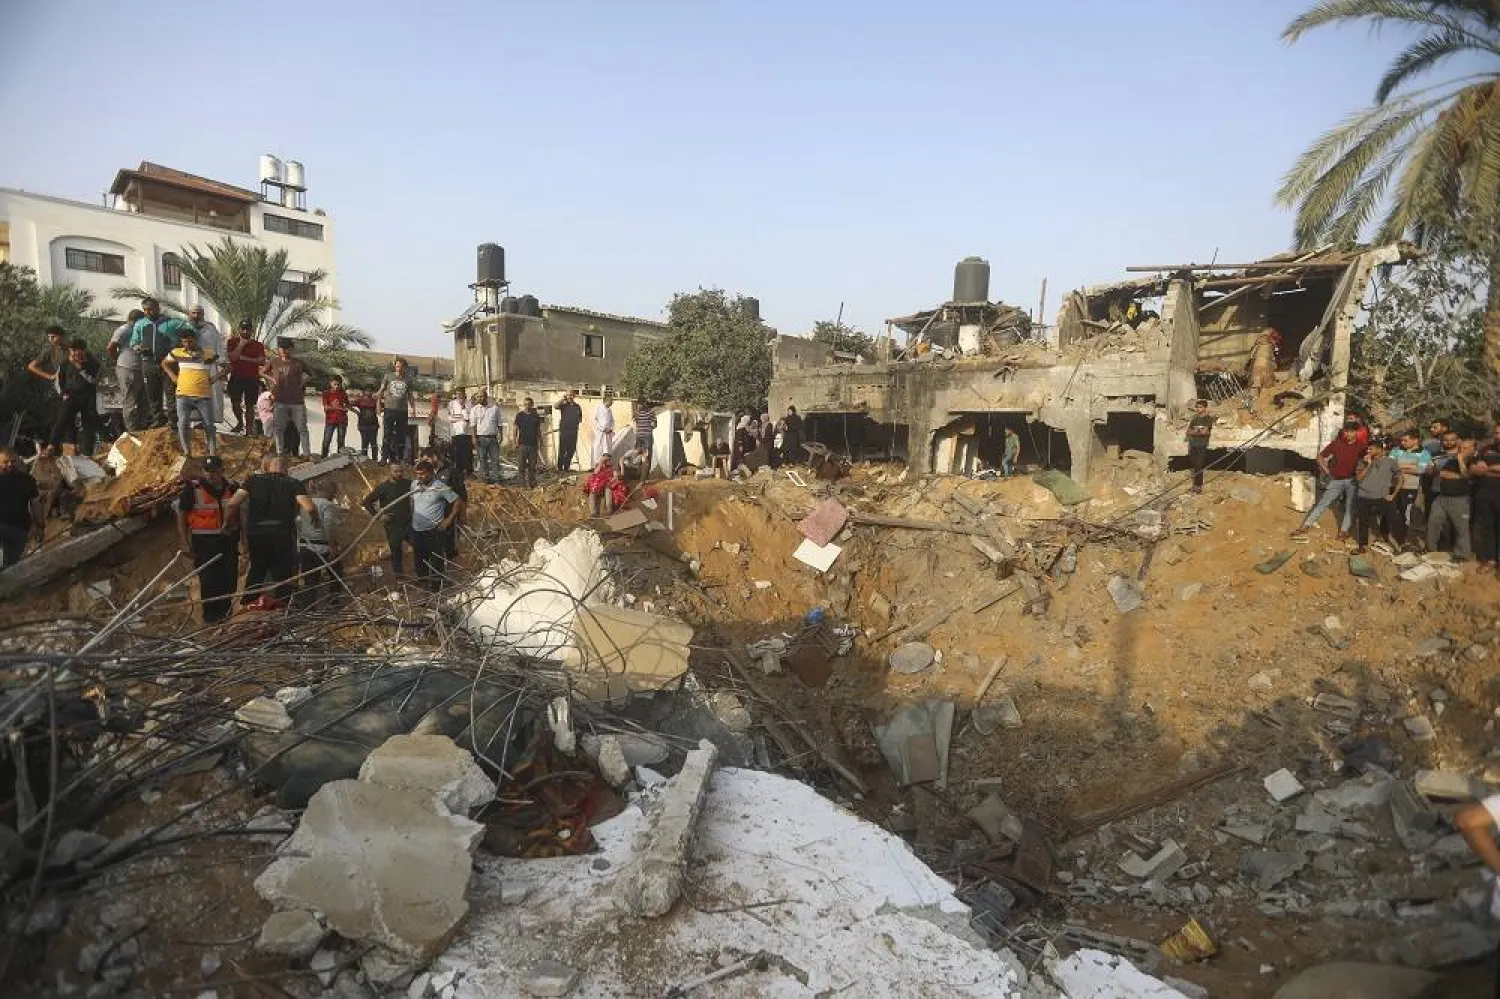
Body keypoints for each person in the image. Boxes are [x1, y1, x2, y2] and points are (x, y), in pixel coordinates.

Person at [226, 454, 317, 603]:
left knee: (256, 570)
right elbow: (309, 507)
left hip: (257, 534)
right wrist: (316, 521)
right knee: (283, 573)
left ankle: (247, 605)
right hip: (281, 534)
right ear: (286, 468)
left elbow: (232, 504)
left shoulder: (252, 481)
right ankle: (283, 606)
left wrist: (226, 522)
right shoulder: (293, 483)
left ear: (266, 466)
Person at [175, 455, 239, 623]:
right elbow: (182, 515)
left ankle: (226, 616)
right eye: (207, 471)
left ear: (221, 471)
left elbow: (241, 513)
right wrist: (184, 541)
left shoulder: (232, 487)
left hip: (228, 540)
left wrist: (244, 539)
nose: (210, 475)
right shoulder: (193, 489)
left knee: (229, 579)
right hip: (204, 542)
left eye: (214, 471)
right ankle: (211, 618)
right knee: (209, 580)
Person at [1293, 420, 1367, 539]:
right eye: (1346, 431)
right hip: (1336, 480)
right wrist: (1326, 470)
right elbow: (1320, 457)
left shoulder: (1362, 446)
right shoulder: (1336, 444)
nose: (1348, 434)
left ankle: (1343, 531)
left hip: (1352, 481)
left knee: (1350, 506)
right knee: (1322, 503)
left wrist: (1363, 470)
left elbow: (1370, 459)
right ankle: (1305, 526)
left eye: (1351, 432)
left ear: (1356, 433)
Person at [162, 327, 218, 457]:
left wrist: (217, 377)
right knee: (182, 423)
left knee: (209, 424)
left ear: (195, 340)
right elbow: (164, 363)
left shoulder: (208, 354)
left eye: (190, 342)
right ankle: (187, 451)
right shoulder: (177, 352)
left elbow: (225, 366)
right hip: (183, 395)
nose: (187, 345)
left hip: (203, 395)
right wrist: (173, 377)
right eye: (184, 342)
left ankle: (212, 452)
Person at [407, 460, 463, 590]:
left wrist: (448, 520)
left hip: (434, 531)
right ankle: (424, 586)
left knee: (436, 560)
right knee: (419, 561)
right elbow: (411, 500)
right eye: (417, 474)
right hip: (417, 530)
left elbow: (457, 500)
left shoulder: (440, 486)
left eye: (423, 474)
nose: (420, 477)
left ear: (431, 473)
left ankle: (437, 589)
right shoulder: (414, 484)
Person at [130, 298, 185, 426]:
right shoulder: (140, 324)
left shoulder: (170, 322)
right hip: (148, 362)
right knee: (153, 393)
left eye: (150, 309)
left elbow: (189, 328)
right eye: (145, 310)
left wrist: (180, 344)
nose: (147, 312)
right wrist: (137, 348)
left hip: (168, 362)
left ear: (157, 309)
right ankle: (158, 420)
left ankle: (173, 421)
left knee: (171, 392)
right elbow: (133, 341)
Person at [50, 340, 104, 456]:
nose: (74, 354)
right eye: (72, 351)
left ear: (83, 350)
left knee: (88, 424)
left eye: (76, 350)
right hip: (71, 396)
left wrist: (79, 367)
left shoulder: (94, 364)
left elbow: (93, 381)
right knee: (63, 419)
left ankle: (87, 453)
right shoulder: (65, 363)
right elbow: (59, 380)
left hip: (88, 397)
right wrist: (63, 393)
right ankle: (52, 446)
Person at [1426, 429, 1474, 559]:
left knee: (1461, 529)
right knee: (1433, 523)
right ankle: (1431, 550)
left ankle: (1462, 554)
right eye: (1462, 447)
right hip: (1441, 496)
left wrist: (1460, 460)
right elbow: (1438, 472)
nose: (1463, 449)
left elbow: (1467, 476)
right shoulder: (1444, 458)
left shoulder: (1472, 459)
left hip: (1460, 499)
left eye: (1466, 447)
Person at [296, 479, 343, 605]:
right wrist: (333, 547)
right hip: (323, 548)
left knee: (310, 581)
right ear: (328, 490)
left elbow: (298, 523)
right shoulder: (327, 505)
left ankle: (308, 608)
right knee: (336, 575)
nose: (335, 494)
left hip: (305, 547)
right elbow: (329, 527)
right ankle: (333, 603)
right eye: (334, 491)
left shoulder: (304, 503)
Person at [1351, 437, 1401, 554]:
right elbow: (1358, 478)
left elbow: (1400, 477)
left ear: (1379, 450)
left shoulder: (1390, 462)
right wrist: (1368, 465)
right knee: (1363, 522)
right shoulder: (1362, 461)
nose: (1368, 451)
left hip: (1382, 497)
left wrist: (1393, 494)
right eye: (1368, 449)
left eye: (1371, 449)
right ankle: (1362, 546)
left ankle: (1400, 545)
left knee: (1393, 519)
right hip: (1363, 496)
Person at [261, 338, 310, 457]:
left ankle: (307, 453)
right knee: (278, 428)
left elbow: (311, 374)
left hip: (297, 401)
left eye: (286, 347)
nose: (283, 350)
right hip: (280, 400)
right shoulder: (274, 361)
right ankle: (280, 453)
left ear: (291, 349)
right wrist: (272, 379)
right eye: (281, 347)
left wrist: (303, 382)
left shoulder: (298, 362)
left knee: (302, 428)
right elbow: (262, 372)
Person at [363, 463, 413, 576]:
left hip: (408, 523)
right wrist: (380, 516)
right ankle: (399, 578)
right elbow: (366, 502)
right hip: (392, 525)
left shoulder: (408, 484)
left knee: (419, 546)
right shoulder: (383, 488)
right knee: (396, 553)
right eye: (396, 471)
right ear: (389, 472)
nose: (399, 474)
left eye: (401, 471)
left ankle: (423, 574)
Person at [1389, 429, 1432, 548]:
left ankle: (1405, 540)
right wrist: (1411, 466)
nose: (1402, 443)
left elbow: (1421, 470)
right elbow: (1390, 466)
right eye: (1401, 440)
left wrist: (1400, 467)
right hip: (1393, 486)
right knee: (1393, 512)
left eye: (1405, 440)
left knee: (1406, 513)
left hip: (1411, 488)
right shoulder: (1396, 450)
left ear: (1415, 440)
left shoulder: (1424, 453)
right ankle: (1395, 536)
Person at [0, 447, 42, 568]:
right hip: (16, 527)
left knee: (12, 564)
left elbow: (36, 504)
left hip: (18, 527)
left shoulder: (27, 480)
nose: (9, 465)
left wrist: (40, 524)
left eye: (13, 462)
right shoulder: (28, 480)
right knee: (11, 564)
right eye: (5, 462)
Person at [107, 310, 148, 432]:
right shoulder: (123, 330)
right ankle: (132, 431)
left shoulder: (143, 330)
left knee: (144, 401)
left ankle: (142, 428)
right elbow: (110, 347)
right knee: (130, 401)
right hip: (127, 369)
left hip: (142, 369)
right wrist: (117, 359)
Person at [226, 321, 266, 435]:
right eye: (243, 328)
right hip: (236, 377)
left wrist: (244, 358)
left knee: (250, 405)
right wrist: (242, 344)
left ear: (251, 330)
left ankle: (248, 430)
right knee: (235, 403)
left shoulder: (258, 345)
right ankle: (239, 422)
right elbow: (233, 357)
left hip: (252, 378)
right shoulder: (232, 342)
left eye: (247, 329)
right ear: (239, 329)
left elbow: (262, 361)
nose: (245, 331)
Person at [185, 305, 224, 423]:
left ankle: (210, 420)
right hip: (190, 366)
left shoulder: (210, 329)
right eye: (194, 313)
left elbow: (218, 346)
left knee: (211, 393)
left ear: (203, 315)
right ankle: (194, 420)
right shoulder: (185, 328)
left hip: (209, 365)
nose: (196, 316)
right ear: (189, 314)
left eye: (199, 313)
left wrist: (221, 362)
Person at [1472, 421, 1500, 572]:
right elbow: (1473, 469)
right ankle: (1490, 560)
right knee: (1487, 528)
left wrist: (1486, 469)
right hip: (1485, 494)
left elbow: (1482, 469)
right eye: (1496, 433)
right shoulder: (1486, 450)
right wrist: (1490, 470)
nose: (1498, 436)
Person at [377, 359, 413, 464]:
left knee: (401, 435)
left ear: (405, 367)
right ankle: (384, 458)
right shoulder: (388, 376)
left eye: (401, 366)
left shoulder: (408, 379)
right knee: (387, 434)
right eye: (397, 366)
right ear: (395, 367)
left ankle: (400, 458)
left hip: (402, 410)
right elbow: (382, 388)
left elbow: (410, 394)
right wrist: (378, 395)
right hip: (389, 409)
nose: (399, 368)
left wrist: (413, 407)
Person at [469, 390, 502, 483]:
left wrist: (501, 435)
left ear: (486, 397)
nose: (479, 398)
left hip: (493, 438)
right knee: (482, 460)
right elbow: (473, 425)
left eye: (481, 397)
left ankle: (496, 480)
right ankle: (485, 480)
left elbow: (499, 423)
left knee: (495, 460)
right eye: (478, 397)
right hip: (480, 438)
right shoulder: (474, 409)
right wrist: (473, 438)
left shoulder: (494, 408)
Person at [1183, 401, 1215, 493]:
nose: (1198, 409)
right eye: (1197, 407)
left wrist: (1196, 431)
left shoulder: (1208, 419)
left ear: (1205, 408)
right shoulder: (1194, 419)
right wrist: (1199, 431)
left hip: (1202, 446)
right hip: (1193, 445)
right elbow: (1188, 432)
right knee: (1195, 465)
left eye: (1200, 407)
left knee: (1199, 466)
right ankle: (1196, 485)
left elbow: (1206, 432)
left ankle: (1197, 487)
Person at [513, 396, 542, 488]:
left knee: (532, 466)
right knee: (521, 466)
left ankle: (532, 483)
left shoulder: (535, 416)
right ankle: (522, 485)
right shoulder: (520, 415)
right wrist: (514, 442)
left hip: (533, 445)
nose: (527, 406)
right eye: (525, 404)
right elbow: (515, 429)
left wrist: (541, 441)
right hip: (522, 445)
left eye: (529, 404)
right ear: (523, 405)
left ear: (532, 405)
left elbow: (538, 430)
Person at [320, 376, 350, 457]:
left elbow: (347, 405)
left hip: (342, 420)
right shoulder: (326, 393)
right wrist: (339, 407)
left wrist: (354, 411)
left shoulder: (343, 393)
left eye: (338, 385)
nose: (336, 386)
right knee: (326, 440)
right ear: (330, 383)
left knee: (341, 441)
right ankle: (323, 458)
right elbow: (326, 407)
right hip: (330, 420)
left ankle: (339, 460)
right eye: (335, 384)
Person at [448, 389, 471, 481]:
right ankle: (458, 474)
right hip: (456, 433)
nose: (459, 396)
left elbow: (468, 418)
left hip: (467, 434)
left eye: (461, 394)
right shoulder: (452, 403)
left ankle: (468, 473)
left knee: (467, 455)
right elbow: (450, 418)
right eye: (457, 394)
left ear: (464, 395)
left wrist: (463, 408)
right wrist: (461, 417)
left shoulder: (469, 403)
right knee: (456, 454)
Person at [556, 391, 582, 472]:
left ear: (574, 396)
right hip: (564, 431)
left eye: (571, 395)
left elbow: (580, 418)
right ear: (566, 396)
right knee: (562, 450)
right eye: (568, 395)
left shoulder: (577, 406)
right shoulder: (563, 405)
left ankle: (566, 467)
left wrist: (575, 421)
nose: (569, 396)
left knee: (571, 450)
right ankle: (560, 468)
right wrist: (562, 399)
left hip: (573, 431)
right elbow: (555, 406)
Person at [352, 387, 380, 460]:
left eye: (371, 391)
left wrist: (378, 400)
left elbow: (379, 410)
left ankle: (375, 461)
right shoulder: (360, 400)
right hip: (363, 425)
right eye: (368, 391)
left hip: (373, 425)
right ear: (364, 391)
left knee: (374, 444)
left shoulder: (374, 401)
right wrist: (356, 412)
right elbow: (348, 404)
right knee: (364, 443)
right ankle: (364, 460)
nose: (369, 392)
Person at [592, 393, 616, 465]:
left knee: (607, 449)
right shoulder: (598, 408)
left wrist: (611, 428)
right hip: (600, 433)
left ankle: (605, 464)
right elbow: (594, 420)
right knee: (599, 448)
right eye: (611, 401)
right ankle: (596, 464)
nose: (612, 403)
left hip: (608, 433)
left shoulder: (609, 410)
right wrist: (602, 428)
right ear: (606, 401)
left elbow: (612, 421)